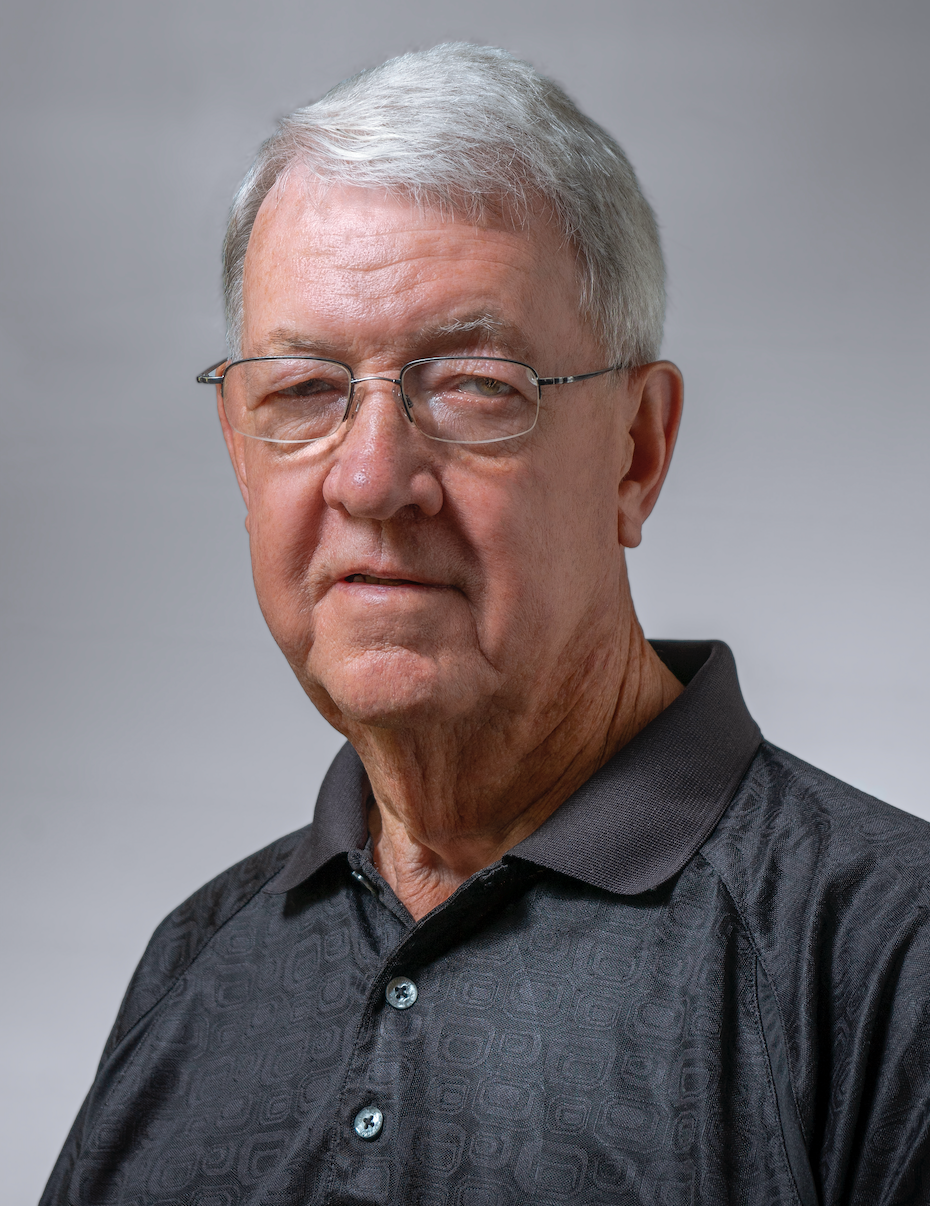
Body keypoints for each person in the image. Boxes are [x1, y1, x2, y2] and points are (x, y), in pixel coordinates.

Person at [42, 43, 930, 1206]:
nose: (371, 480)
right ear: (240, 454)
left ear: (637, 452)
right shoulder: (195, 962)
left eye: (471, 386)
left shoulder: (887, 957)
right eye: (303, 392)